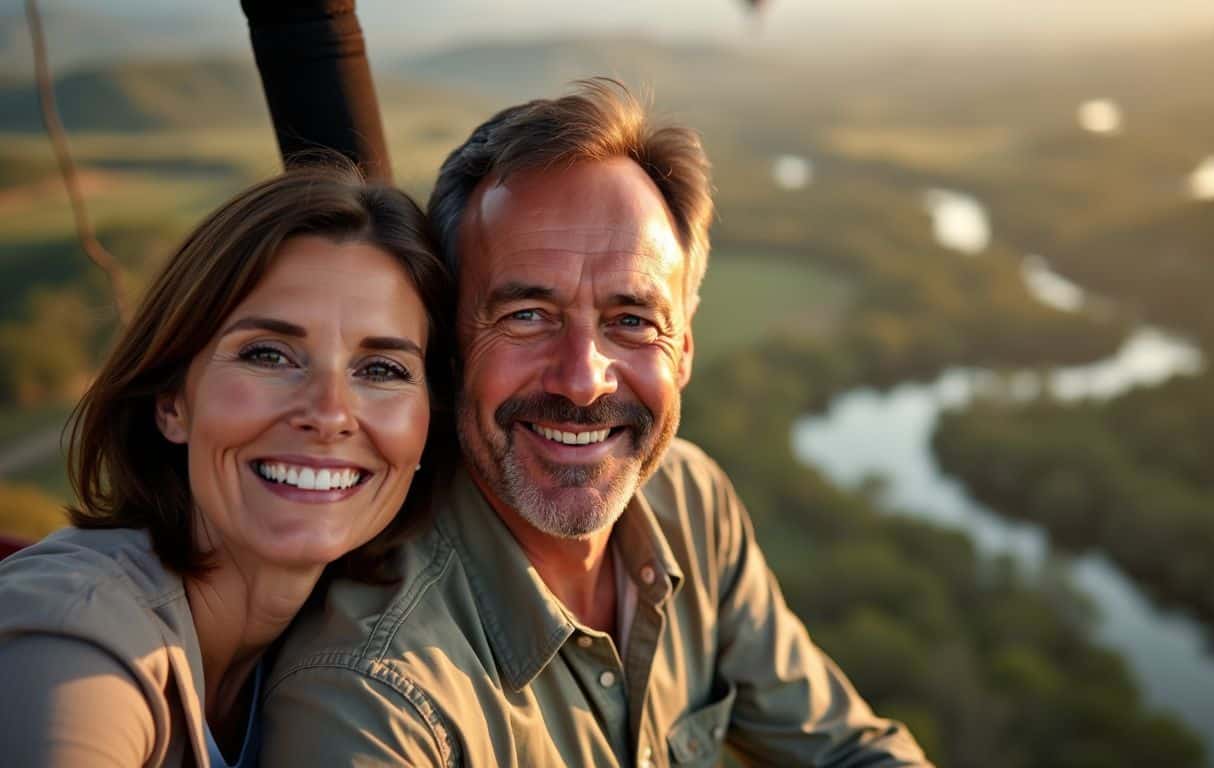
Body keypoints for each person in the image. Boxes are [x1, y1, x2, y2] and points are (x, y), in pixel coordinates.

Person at [260, 80, 932, 767]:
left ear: (685, 352)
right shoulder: (371, 701)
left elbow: (849, 749)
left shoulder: (691, 502)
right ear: (451, 349)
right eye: (527, 316)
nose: (582, 381)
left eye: (632, 321)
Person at [0, 163, 454, 768]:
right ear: (173, 403)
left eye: (382, 370)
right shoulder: (71, 634)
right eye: (268, 355)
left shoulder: (354, 653)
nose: (328, 413)